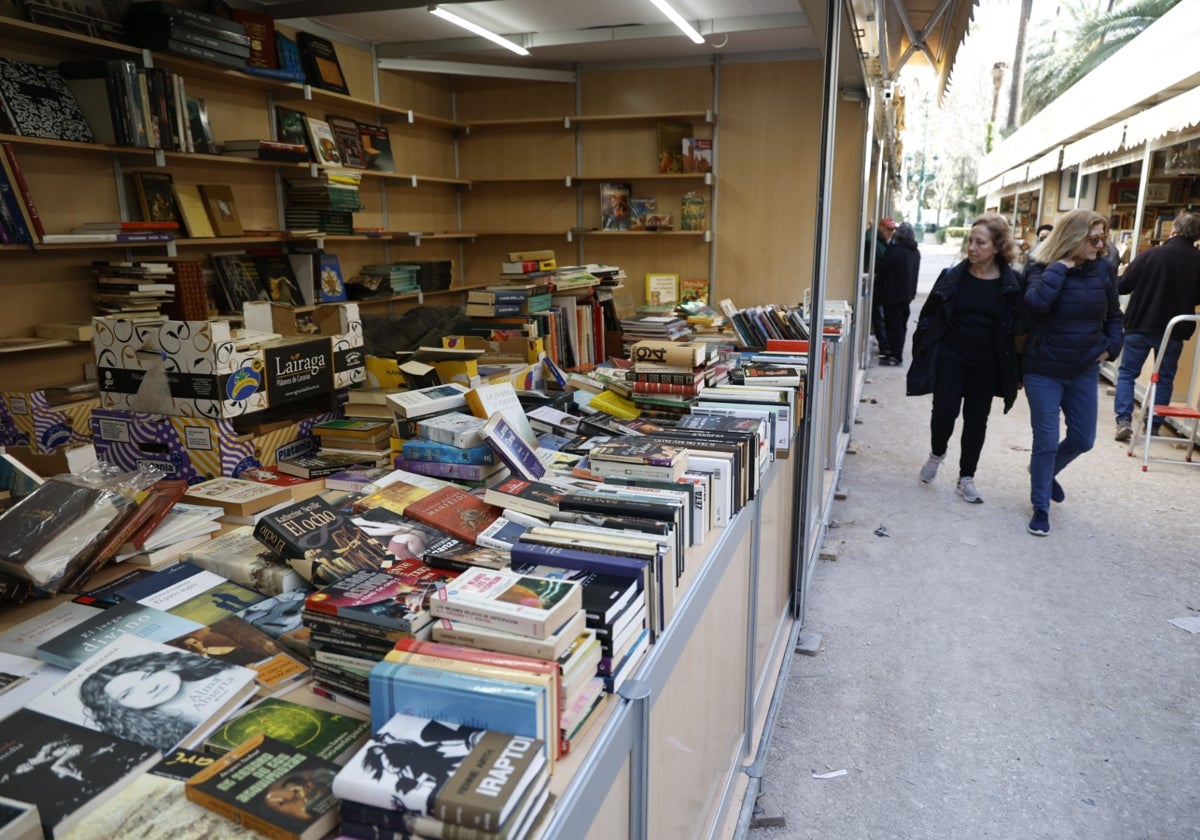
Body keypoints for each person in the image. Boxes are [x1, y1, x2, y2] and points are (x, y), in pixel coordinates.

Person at [1020, 208, 1124, 536]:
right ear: (1074, 238)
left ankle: (1044, 472)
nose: (1100, 245)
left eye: (1102, 238)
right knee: (1046, 440)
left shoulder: (1104, 269)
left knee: (1083, 439)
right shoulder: (1040, 266)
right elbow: (1035, 303)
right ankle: (1040, 506)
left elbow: (1115, 314)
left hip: (1083, 368)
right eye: (1093, 239)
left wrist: (1112, 346)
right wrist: (1060, 269)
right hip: (1043, 369)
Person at [906, 213, 1022, 504]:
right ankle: (936, 453)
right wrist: (922, 347)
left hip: (987, 362)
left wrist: (1017, 371)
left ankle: (966, 477)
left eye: (980, 242)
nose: (972, 247)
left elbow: (1019, 331)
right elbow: (928, 316)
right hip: (951, 355)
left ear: (997, 247)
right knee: (943, 412)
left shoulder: (1012, 284)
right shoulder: (952, 276)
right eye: (970, 240)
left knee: (976, 420)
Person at [1112, 210, 1200, 441]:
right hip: (1174, 330)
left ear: (1173, 230)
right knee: (1164, 378)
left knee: (1127, 374)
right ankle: (1153, 425)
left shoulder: (1151, 254)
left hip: (1140, 323)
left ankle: (1123, 420)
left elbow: (1123, 287)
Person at [79, 649, 245, 751]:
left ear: (164, 665)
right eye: (127, 693)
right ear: (116, 707)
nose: (151, 687)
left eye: (147, 676)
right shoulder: (159, 738)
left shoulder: (233, 673)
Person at [874, 220, 921, 365]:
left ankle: (895, 356)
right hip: (907, 295)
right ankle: (896, 354)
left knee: (893, 326)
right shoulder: (915, 252)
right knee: (901, 326)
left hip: (892, 296)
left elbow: (880, 266)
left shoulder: (896, 251)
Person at [870, 217, 898, 358]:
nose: (890, 232)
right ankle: (885, 346)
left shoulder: (890, 243)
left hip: (886, 287)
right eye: (887, 229)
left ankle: (886, 345)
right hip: (877, 285)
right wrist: (871, 228)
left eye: (892, 230)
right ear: (880, 228)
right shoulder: (874, 240)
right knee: (879, 317)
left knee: (884, 318)